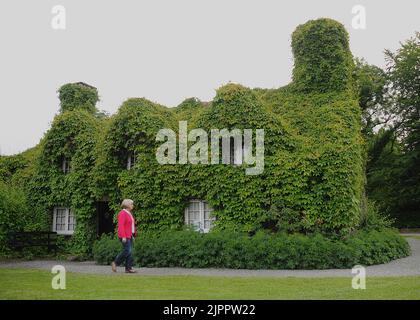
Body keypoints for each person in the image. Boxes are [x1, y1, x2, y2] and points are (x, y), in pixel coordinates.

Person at [111, 199, 137, 273]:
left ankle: (128, 268)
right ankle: (115, 263)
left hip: (130, 235)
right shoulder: (123, 213)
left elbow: (130, 225)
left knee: (130, 252)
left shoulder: (129, 213)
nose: (133, 206)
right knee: (127, 250)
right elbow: (121, 226)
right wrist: (123, 236)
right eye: (131, 204)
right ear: (127, 205)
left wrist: (133, 234)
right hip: (124, 235)